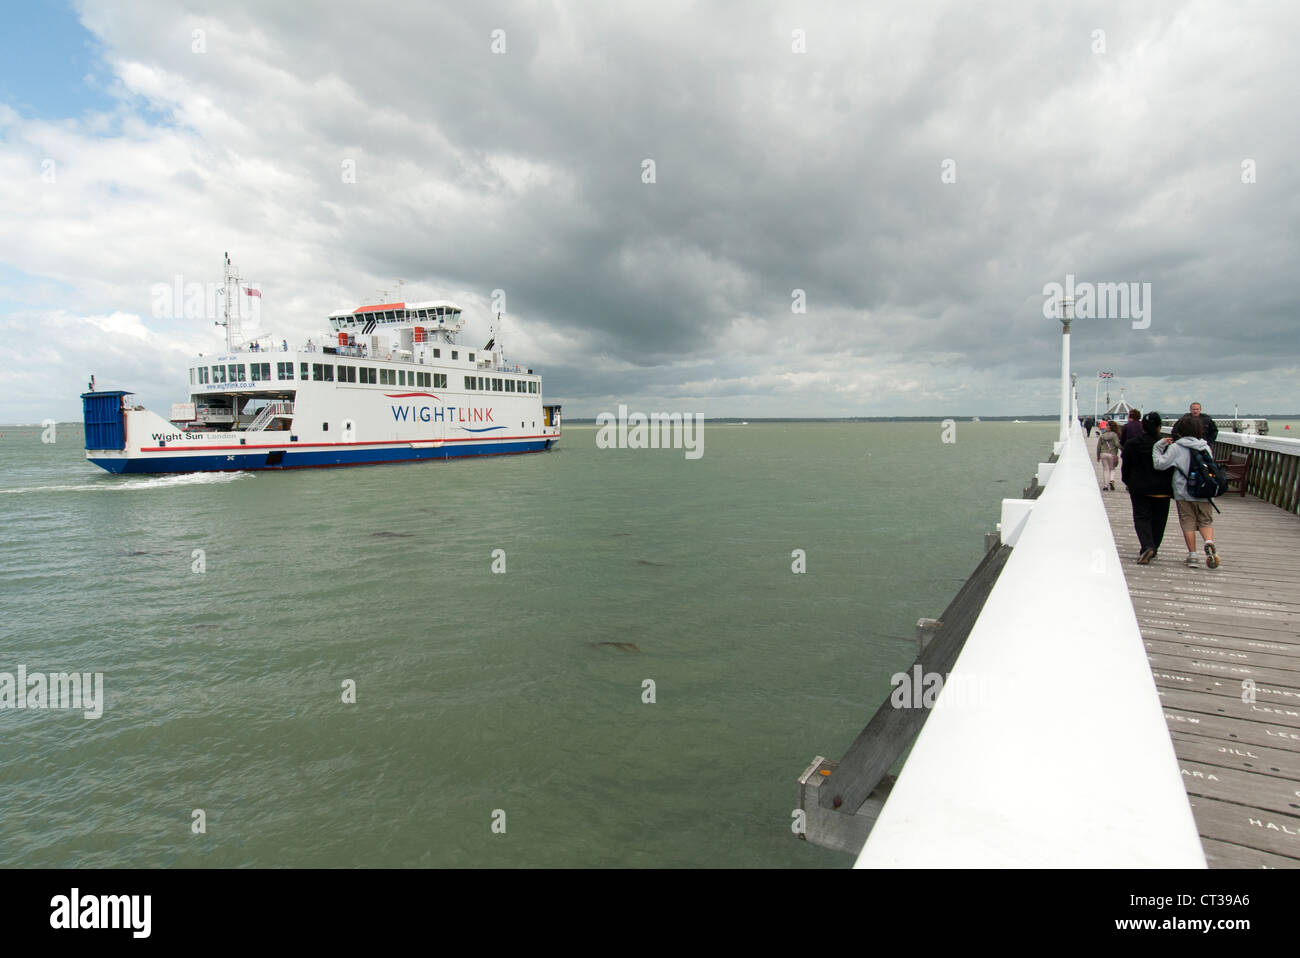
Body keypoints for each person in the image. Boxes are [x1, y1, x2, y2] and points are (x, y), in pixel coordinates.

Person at [1153, 414, 1221, 568]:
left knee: (1188, 521)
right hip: (1204, 491)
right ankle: (1209, 543)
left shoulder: (1176, 447)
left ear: (1180, 431)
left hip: (1183, 491)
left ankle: (1193, 555)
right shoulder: (1205, 446)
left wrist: (1158, 447)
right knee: (1205, 520)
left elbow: (1160, 464)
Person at [1122, 411, 1173, 563]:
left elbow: (1126, 467)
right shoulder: (1168, 445)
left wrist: (1128, 482)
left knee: (1141, 517)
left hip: (1139, 487)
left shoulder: (1132, 444)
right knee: (1159, 520)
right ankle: (1153, 547)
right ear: (1159, 427)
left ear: (1142, 426)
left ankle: (1147, 546)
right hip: (1163, 489)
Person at [1097, 420, 1121, 490]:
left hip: (1103, 453)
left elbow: (1099, 446)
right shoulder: (1115, 435)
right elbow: (1117, 444)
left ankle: (1105, 486)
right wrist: (1122, 449)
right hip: (1112, 454)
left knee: (1105, 470)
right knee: (1112, 469)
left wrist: (1098, 456)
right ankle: (1111, 480)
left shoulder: (1102, 435)